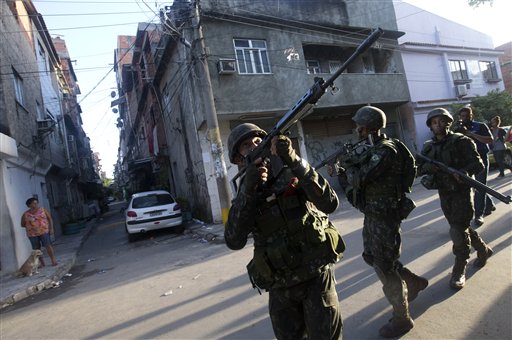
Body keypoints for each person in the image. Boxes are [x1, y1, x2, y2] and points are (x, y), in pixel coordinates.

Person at [225, 123, 344, 340]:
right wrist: (248, 192)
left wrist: (295, 160)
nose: (254, 146)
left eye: (258, 141)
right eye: (246, 145)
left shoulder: (291, 170)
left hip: (315, 275)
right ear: (238, 160)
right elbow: (234, 240)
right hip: (280, 286)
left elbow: (330, 203)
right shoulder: (245, 190)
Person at [330, 106, 427, 338]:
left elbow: (360, 178)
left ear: (368, 127)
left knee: (384, 264)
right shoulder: (373, 148)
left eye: (359, 126)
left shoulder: (385, 151)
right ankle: (413, 282)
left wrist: (341, 171)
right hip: (373, 213)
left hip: (385, 215)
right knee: (372, 256)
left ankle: (402, 318)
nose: (356, 130)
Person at [418, 108, 493, 290]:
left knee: (457, 231)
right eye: (435, 122)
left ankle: (459, 269)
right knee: (461, 227)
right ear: (430, 126)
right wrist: (430, 168)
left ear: (449, 122)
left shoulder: (462, 141)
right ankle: (483, 250)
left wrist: (464, 172)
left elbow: (478, 164)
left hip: (461, 191)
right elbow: (419, 168)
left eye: (442, 121)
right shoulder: (429, 146)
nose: (439, 125)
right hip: (444, 192)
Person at [456, 107, 495, 226]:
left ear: (471, 115)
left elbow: (490, 140)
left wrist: (470, 134)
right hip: (466, 161)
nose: (465, 118)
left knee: (480, 186)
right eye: (462, 116)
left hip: (481, 158)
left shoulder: (480, 126)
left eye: (467, 115)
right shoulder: (459, 130)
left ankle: (479, 215)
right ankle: (489, 205)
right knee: (475, 185)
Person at [20, 197, 58, 266]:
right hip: (32, 234)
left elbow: (50, 219)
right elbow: (22, 224)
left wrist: (51, 228)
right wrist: (30, 225)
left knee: (48, 245)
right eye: (34, 203)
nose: (36, 204)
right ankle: (41, 262)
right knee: (36, 249)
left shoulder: (43, 210)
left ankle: (53, 260)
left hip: (44, 231)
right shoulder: (25, 214)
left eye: (36, 203)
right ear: (29, 205)